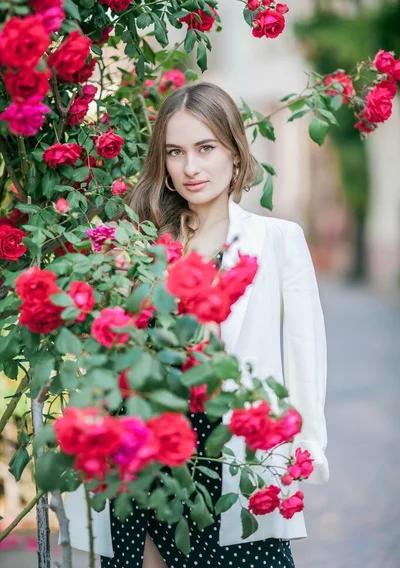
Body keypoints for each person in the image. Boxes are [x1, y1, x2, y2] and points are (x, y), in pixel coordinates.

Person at [64, 81, 329, 567]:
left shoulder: (276, 240)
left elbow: (304, 352)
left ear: (233, 152)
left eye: (205, 148)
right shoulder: (141, 245)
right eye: (175, 152)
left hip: (227, 459)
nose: (190, 167)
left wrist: (306, 447)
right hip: (140, 458)